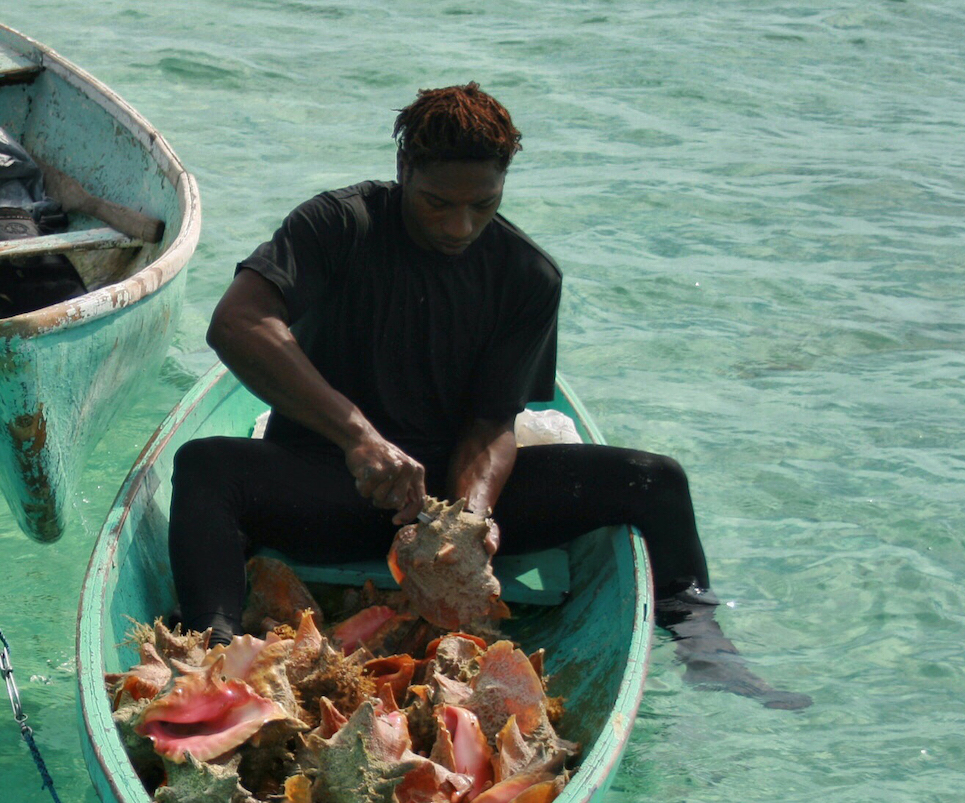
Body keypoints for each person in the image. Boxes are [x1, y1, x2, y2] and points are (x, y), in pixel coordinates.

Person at [167, 83, 810, 710]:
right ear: (403, 169)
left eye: (483, 204)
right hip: (327, 488)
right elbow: (239, 323)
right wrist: (358, 439)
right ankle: (218, 659)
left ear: (503, 185)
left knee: (655, 481)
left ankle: (704, 646)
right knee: (204, 466)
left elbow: (492, 423)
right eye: (437, 202)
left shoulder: (528, 276)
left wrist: (468, 523)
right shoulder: (339, 224)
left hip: (439, 506)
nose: (460, 224)